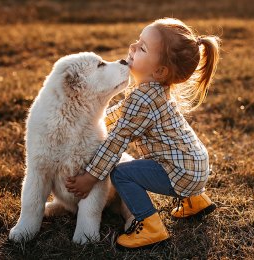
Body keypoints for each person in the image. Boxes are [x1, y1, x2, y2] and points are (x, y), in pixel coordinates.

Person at [65, 17, 221, 249]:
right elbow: (121, 113)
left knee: (121, 174)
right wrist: (93, 121)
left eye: (142, 48)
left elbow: (116, 142)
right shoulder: (154, 91)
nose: (132, 47)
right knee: (161, 160)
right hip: (196, 164)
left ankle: (149, 224)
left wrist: (91, 177)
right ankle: (195, 201)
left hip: (182, 172)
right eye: (137, 41)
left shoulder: (143, 99)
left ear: (159, 70)